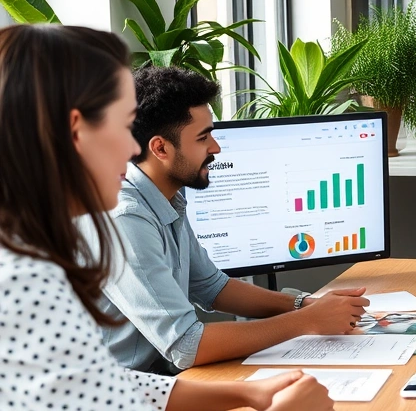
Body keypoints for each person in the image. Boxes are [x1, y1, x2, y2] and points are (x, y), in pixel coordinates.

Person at [0, 25, 338, 411]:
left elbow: (102, 388)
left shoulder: (24, 253)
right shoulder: (23, 283)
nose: (132, 148)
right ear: (77, 131)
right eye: (122, 125)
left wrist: (244, 393)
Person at [93, 66, 368, 374]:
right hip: (111, 398)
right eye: (203, 138)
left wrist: (303, 305)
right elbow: (187, 345)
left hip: (152, 381)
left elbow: (212, 287)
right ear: (160, 148)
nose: (216, 148)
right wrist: (308, 322)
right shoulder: (125, 218)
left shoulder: (165, 197)